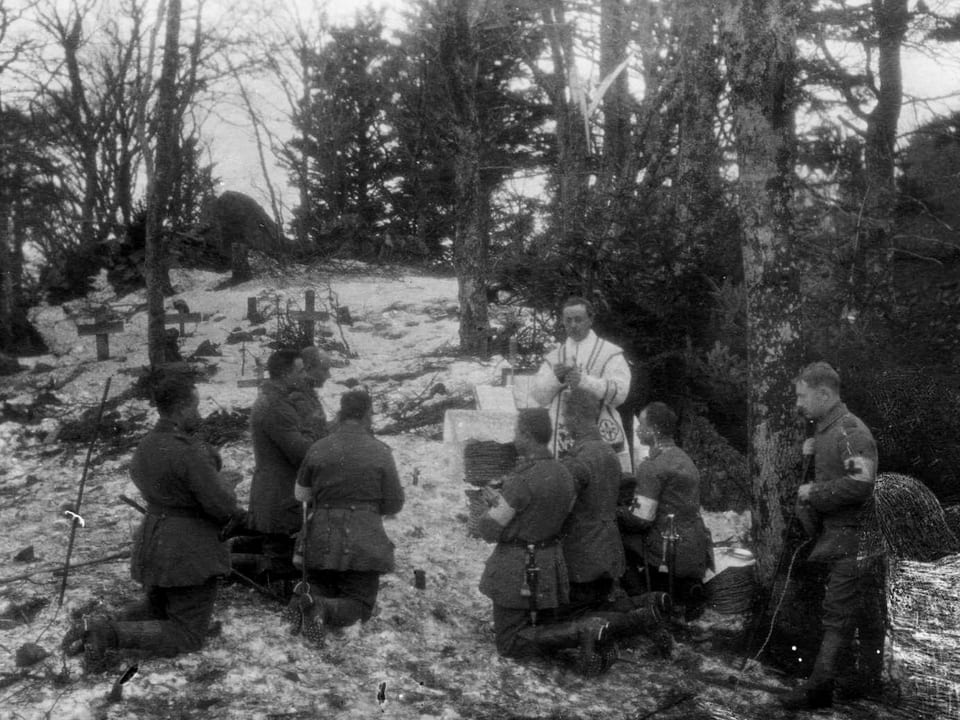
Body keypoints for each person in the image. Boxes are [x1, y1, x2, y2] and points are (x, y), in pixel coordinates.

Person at [64, 373, 244, 671]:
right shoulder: (189, 451)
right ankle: (108, 633)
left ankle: (93, 627)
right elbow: (222, 506)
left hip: (153, 540)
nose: (198, 415)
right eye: (195, 407)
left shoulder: (146, 445)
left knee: (157, 607)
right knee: (188, 634)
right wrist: (225, 486)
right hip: (188, 551)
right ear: (183, 408)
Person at [780, 362, 880, 711]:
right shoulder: (827, 431)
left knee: (838, 612)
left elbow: (860, 484)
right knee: (861, 610)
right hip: (837, 537)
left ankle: (819, 687)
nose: (798, 404)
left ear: (824, 394)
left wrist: (814, 493)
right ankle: (865, 679)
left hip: (854, 538)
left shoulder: (849, 431)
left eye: (803, 396)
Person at [293, 390, 404, 633]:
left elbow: (301, 495)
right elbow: (395, 503)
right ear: (367, 414)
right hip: (363, 538)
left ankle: (307, 606)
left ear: (341, 414)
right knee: (360, 602)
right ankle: (324, 609)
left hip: (321, 534)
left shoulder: (318, 448)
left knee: (319, 584)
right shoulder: (380, 451)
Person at [618, 402, 711, 616]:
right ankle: (684, 590)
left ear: (654, 430)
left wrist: (618, 513)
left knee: (616, 539)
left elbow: (641, 519)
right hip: (695, 545)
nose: (638, 429)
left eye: (642, 424)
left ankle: (646, 600)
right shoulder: (683, 458)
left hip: (667, 547)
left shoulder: (652, 466)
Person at [530, 297, 632, 471]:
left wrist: (584, 381)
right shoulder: (554, 356)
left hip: (600, 427)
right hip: (561, 432)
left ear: (590, 320)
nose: (573, 325)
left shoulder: (610, 353)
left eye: (578, 319)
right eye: (568, 320)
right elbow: (539, 396)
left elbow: (620, 392)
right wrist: (556, 379)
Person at [249, 349, 316, 580]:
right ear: (286, 375)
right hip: (280, 497)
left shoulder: (274, 401)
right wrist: (318, 433)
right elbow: (302, 453)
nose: (304, 376)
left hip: (275, 494)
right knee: (281, 567)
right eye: (300, 371)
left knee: (280, 557)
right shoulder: (276, 407)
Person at [558, 388, 626, 613]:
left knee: (578, 625)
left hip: (580, 556)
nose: (564, 424)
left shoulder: (578, 459)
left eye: (566, 417)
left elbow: (561, 510)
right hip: (609, 552)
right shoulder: (610, 453)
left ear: (575, 417)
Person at [289, 345, 333, 441]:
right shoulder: (298, 397)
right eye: (325, 370)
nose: (329, 376)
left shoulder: (307, 392)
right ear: (308, 368)